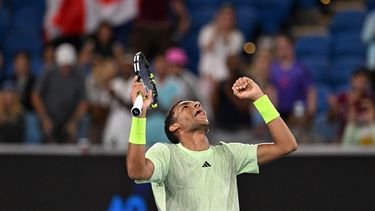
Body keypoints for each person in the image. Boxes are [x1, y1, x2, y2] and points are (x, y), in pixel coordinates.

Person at [126, 76, 297, 210]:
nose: (196, 104)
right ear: (174, 127)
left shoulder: (229, 153)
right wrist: (139, 117)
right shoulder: (165, 154)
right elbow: (136, 171)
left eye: (196, 103)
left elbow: (287, 145)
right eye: (185, 106)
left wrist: (259, 98)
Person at [32, 43, 87, 143]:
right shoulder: (48, 72)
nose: (66, 69)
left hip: (70, 118)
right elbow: (35, 96)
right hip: (49, 117)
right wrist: (45, 119)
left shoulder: (79, 75)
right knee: (49, 138)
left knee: (72, 137)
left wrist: (74, 122)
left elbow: (83, 101)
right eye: (63, 66)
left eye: (68, 66)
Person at [198, 4, 244, 103]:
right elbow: (207, 48)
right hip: (208, 76)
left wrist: (226, 35)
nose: (227, 21)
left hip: (226, 80)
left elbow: (232, 58)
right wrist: (217, 31)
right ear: (218, 17)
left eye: (230, 18)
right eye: (224, 17)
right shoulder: (207, 31)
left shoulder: (237, 36)